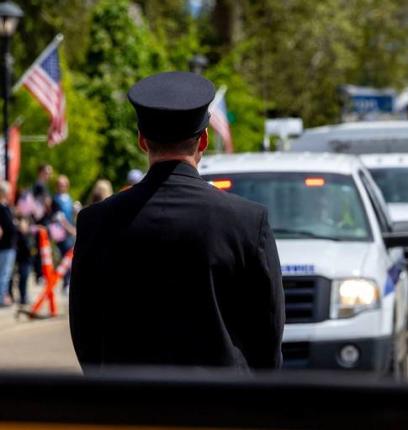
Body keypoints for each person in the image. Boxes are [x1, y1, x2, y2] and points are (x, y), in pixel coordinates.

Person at [70, 71, 284, 371]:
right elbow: (267, 334)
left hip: (127, 406)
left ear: (143, 141)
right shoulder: (247, 221)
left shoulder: (96, 221)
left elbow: (85, 332)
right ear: (204, 140)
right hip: (221, 407)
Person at [0, 182, 17, 306]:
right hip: (6, 246)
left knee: (5, 274)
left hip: (7, 245)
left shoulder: (5, 207)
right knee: (4, 274)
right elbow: (8, 227)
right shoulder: (2, 208)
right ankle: (1, 298)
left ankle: (3, 296)